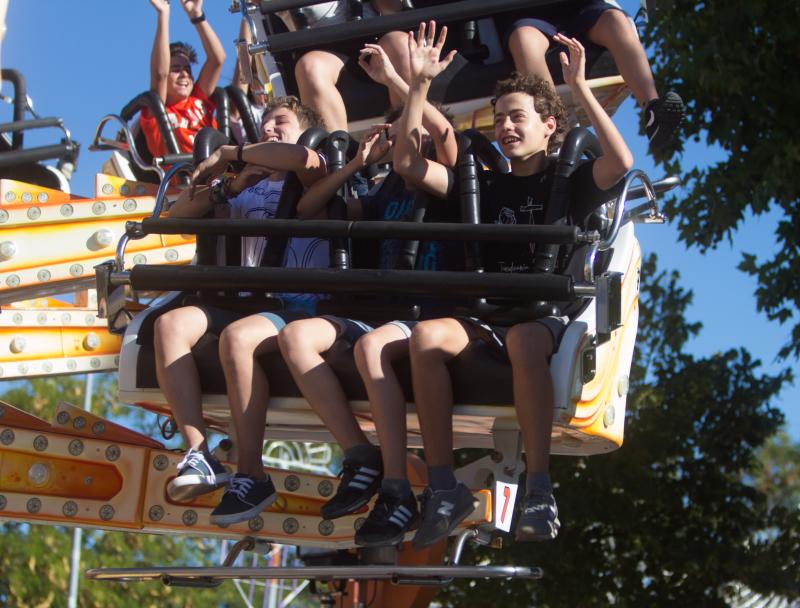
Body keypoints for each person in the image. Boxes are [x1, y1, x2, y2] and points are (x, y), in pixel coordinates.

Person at [391, 22, 633, 548]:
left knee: (526, 340)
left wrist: (582, 89)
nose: (505, 128)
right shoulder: (482, 182)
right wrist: (418, 87)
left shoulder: (570, 180)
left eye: (517, 118)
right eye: (499, 119)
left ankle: (540, 487)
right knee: (425, 338)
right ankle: (441, 486)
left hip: (543, 316)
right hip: (487, 314)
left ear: (549, 125)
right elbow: (408, 163)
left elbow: (622, 162)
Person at [277, 37, 461, 545]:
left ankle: (398, 490)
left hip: (423, 314)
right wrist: (357, 164)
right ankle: (363, 457)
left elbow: (441, 134)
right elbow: (311, 209)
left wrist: (402, 85)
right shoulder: (385, 191)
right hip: (376, 312)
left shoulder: (447, 176)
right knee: (296, 338)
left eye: (412, 128)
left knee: (371, 346)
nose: (405, 135)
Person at [154, 96, 327, 506]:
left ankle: (252, 471)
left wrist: (230, 151)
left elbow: (301, 157)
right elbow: (175, 218)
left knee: (237, 336)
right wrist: (230, 183)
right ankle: (199, 453)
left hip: (293, 303)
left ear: (302, 130)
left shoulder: (315, 169)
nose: (268, 129)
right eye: (264, 124)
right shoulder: (242, 182)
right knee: (169, 325)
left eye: (279, 122)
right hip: (243, 301)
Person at [502, 0, 683, 150]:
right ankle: (556, 130)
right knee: (524, 39)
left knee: (616, 20)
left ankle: (653, 110)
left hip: (581, 8)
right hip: (527, 14)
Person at [293, 0, 413, 132]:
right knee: (310, 67)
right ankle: (335, 148)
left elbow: (392, 11)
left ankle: (411, 136)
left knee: (402, 45)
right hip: (326, 49)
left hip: (377, 39)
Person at [142, 0, 226, 157]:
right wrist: (163, 14)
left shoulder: (198, 99)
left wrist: (196, 15)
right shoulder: (157, 110)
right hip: (185, 177)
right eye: (175, 69)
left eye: (187, 69)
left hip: (219, 173)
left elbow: (217, 59)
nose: (184, 74)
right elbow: (159, 74)